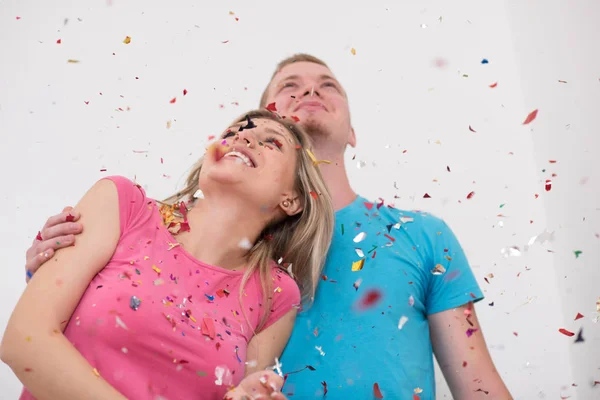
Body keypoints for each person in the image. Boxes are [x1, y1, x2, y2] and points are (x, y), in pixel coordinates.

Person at [21, 54, 513, 399]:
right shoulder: (177, 223)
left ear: (353, 130)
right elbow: (71, 327)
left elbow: (478, 384)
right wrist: (55, 266)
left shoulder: (422, 236)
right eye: (289, 88)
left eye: (327, 85)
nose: (310, 92)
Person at [1, 109, 335, 400]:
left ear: (292, 199)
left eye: (271, 142)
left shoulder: (276, 295)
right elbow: (23, 340)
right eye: (234, 131)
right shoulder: (122, 205)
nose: (244, 138)